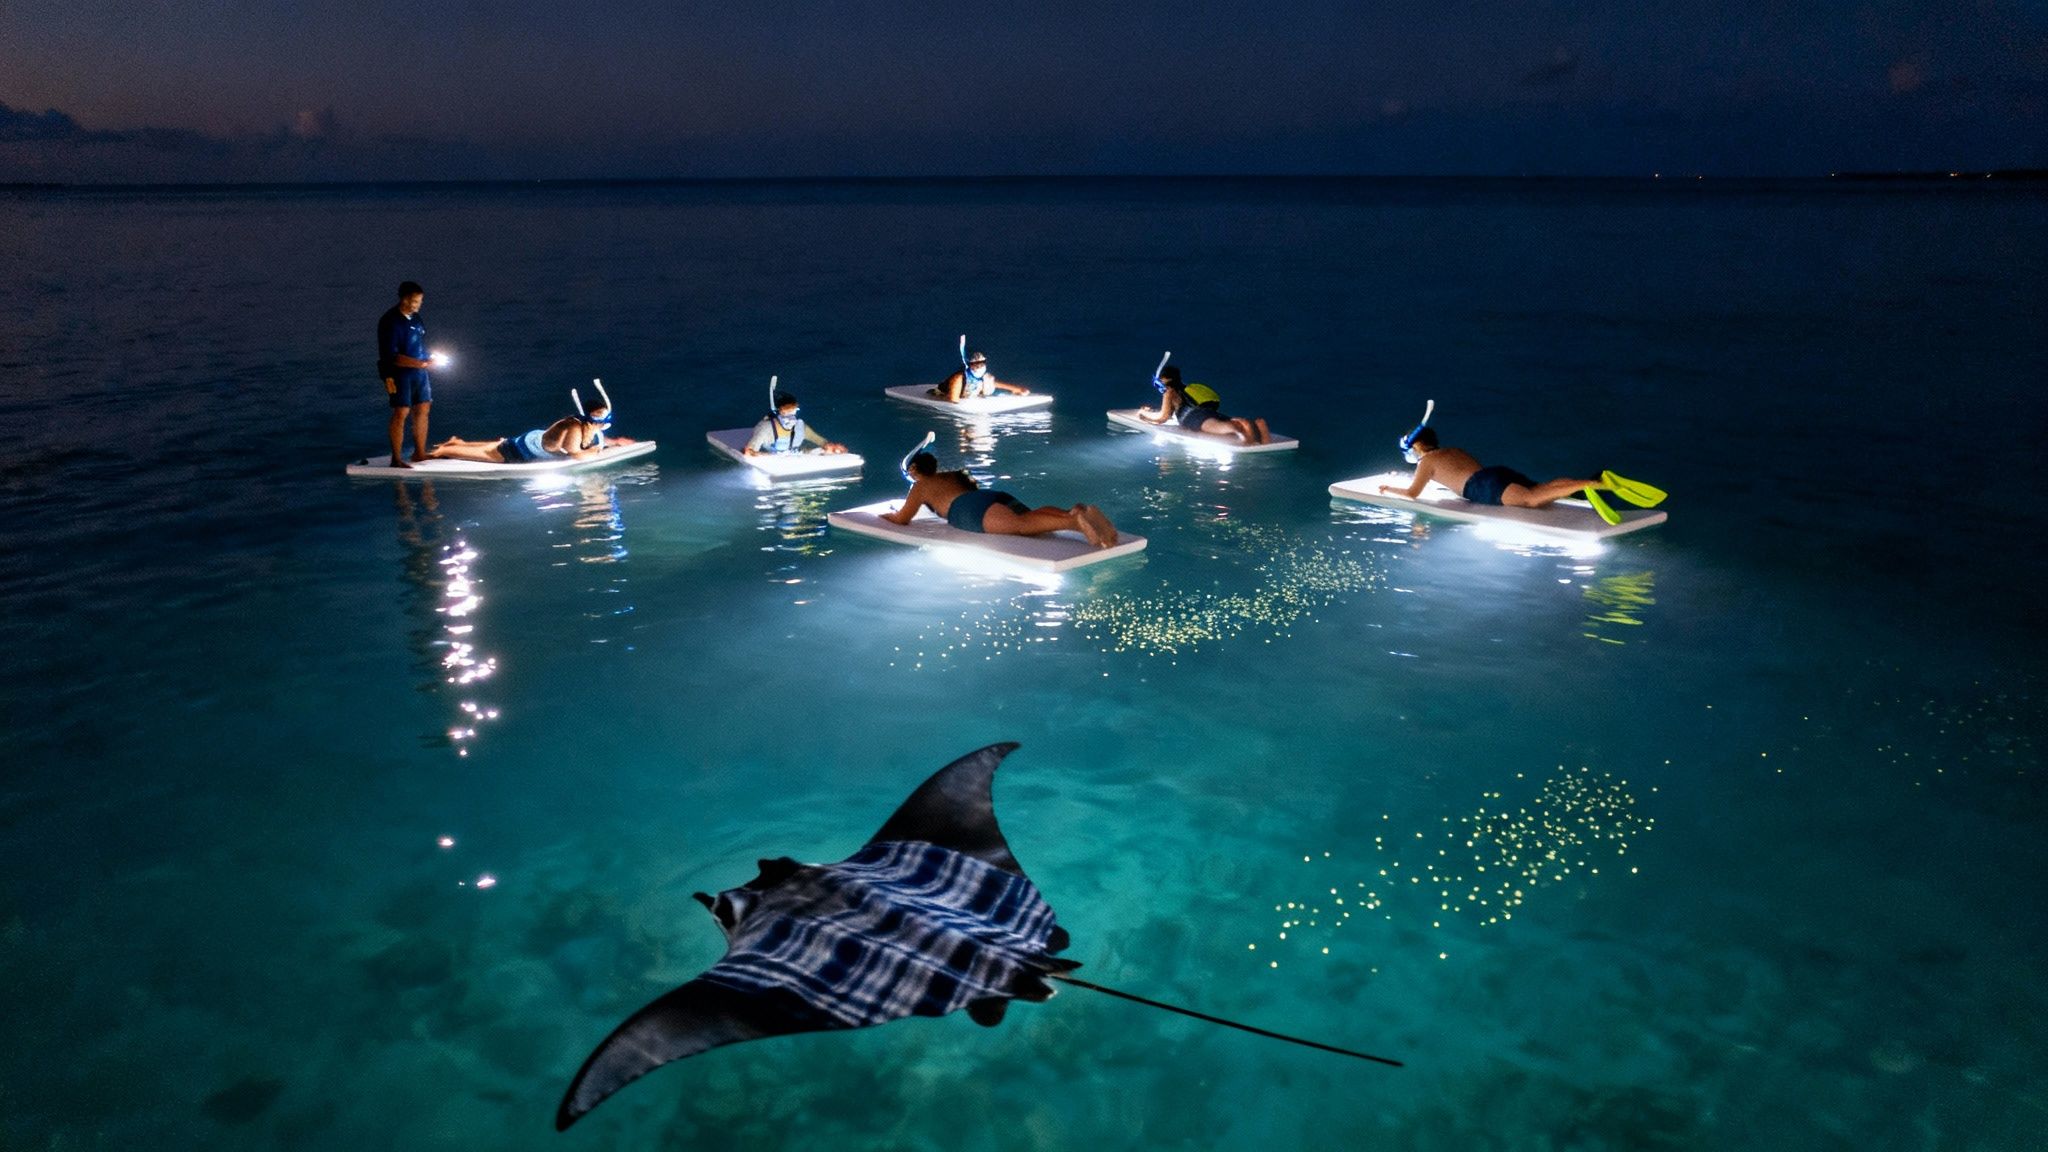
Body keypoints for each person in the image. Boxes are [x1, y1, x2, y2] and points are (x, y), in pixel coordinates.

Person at [1379, 428, 1663, 523]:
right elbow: (1458, 473)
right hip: (1494, 473)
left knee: (1531, 499)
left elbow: (1413, 494)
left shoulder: (1426, 462)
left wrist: (1388, 488)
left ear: (1417, 447)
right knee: (1541, 488)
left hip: (1482, 487)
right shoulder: (1452, 450)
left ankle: (1593, 483)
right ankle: (1594, 478)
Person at [885, 452, 1118, 548]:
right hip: (987, 497)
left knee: (1021, 526)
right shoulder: (951, 475)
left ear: (915, 468)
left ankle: (1074, 523)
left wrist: (888, 516)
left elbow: (903, 518)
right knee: (1028, 517)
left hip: (967, 509)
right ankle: (1073, 512)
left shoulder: (920, 485)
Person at [378, 281, 437, 468]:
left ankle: (419, 453)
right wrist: (419, 363)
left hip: (419, 372)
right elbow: (392, 356)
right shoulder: (390, 321)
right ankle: (396, 459)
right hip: (398, 374)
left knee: (424, 407)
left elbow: (418, 344)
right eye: (414, 301)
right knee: (401, 411)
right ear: (403, 299)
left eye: (420, 301)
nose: (417, 305)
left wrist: (429, 358)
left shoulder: (416, 319)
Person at [1136, 366, 1270, 445]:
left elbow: (1163, 417)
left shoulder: (1169, 392)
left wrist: (1143, 415)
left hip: (1192, 417)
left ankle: (1249, 443)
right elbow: (1170, 411)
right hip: (1206, 411)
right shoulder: (1186, 389)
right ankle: (1261, 430)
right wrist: (1151, 410)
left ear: (1163, 380)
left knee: (1232, 427)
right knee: (1241, 421)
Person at [426, 408, 613, 464]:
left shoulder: (579, 423)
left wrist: (611, 443)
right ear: (598, 423)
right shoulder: (574, 428)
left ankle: (459, 442)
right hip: (519, 452)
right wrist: (597, 450)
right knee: (492, 453)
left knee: (495, 446)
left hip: (530, 440)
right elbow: (576, 454)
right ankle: (445, 449)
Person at [744, 393, 846, 456]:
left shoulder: (800, 426)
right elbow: (749, 451)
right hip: (771, 455)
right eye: (786, 410)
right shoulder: (766, 428)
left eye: (793, 409)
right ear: (779, 411)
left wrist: (829, 446)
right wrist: (766, 456)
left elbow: (820, 441)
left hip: (792, 455)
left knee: (824, 451)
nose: (790, 413)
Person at [932, 350, 1031, 402]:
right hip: (943, 394)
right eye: (976, 363)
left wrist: (1016, 389)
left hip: (969, 395)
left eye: (982, 362)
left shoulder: (984, 376)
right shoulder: (959, 378)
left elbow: (994, 384)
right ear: (970, 364)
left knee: (988, 384)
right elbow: (953, 400)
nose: (980, 366)